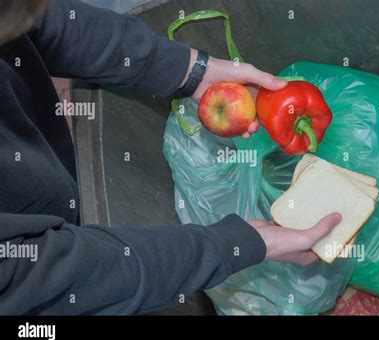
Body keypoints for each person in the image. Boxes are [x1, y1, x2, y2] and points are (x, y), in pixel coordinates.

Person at [0, 0, 341, 314]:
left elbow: (47, 24)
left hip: (36, 178)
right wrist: (236, 245)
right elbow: (52, 279)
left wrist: (192, 71)